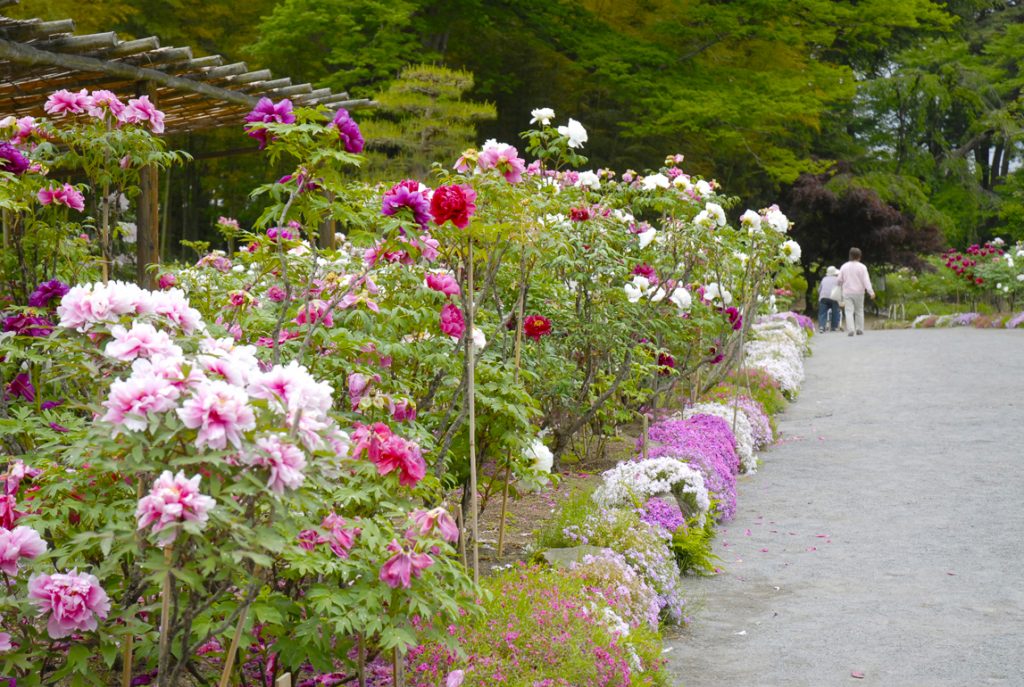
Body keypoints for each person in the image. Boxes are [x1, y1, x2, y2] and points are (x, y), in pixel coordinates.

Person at [837, 247, 875, 337]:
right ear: (859, 256)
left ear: (850, 255)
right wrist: (871, 292)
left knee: (849, 311)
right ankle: (859, 329)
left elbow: (839, 280)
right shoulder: (862, 267)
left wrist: (841, 284)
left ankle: (851, 329)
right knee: (859, 311)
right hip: (859, 292)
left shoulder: (844, 266)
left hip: (847, 292)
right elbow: (866, 280)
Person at [817, 266, 841, 333]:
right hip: (834, 298)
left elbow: (819, 290)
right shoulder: (837, 279)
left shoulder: (824, 279)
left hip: (823, 297)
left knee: (822, 312)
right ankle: (834, 327)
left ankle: (822, 327)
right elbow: (840, 289)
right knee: (835, 312)